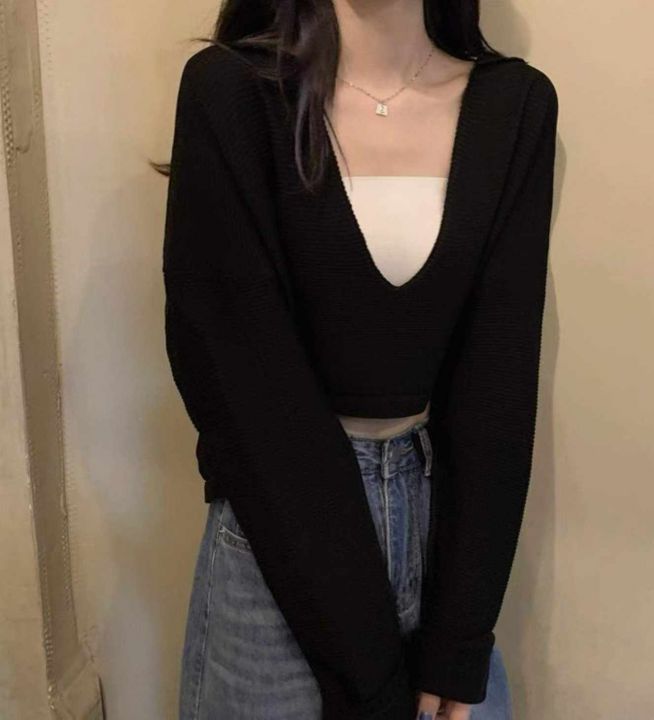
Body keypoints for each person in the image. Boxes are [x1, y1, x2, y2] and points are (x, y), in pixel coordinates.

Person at [160, 1, 558, 718]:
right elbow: (240, 388)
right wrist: (371, 675)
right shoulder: (231, 92)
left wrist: (459, 637)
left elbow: (497, 384)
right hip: (275, 542)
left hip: (440, 540)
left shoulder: (514, 105)